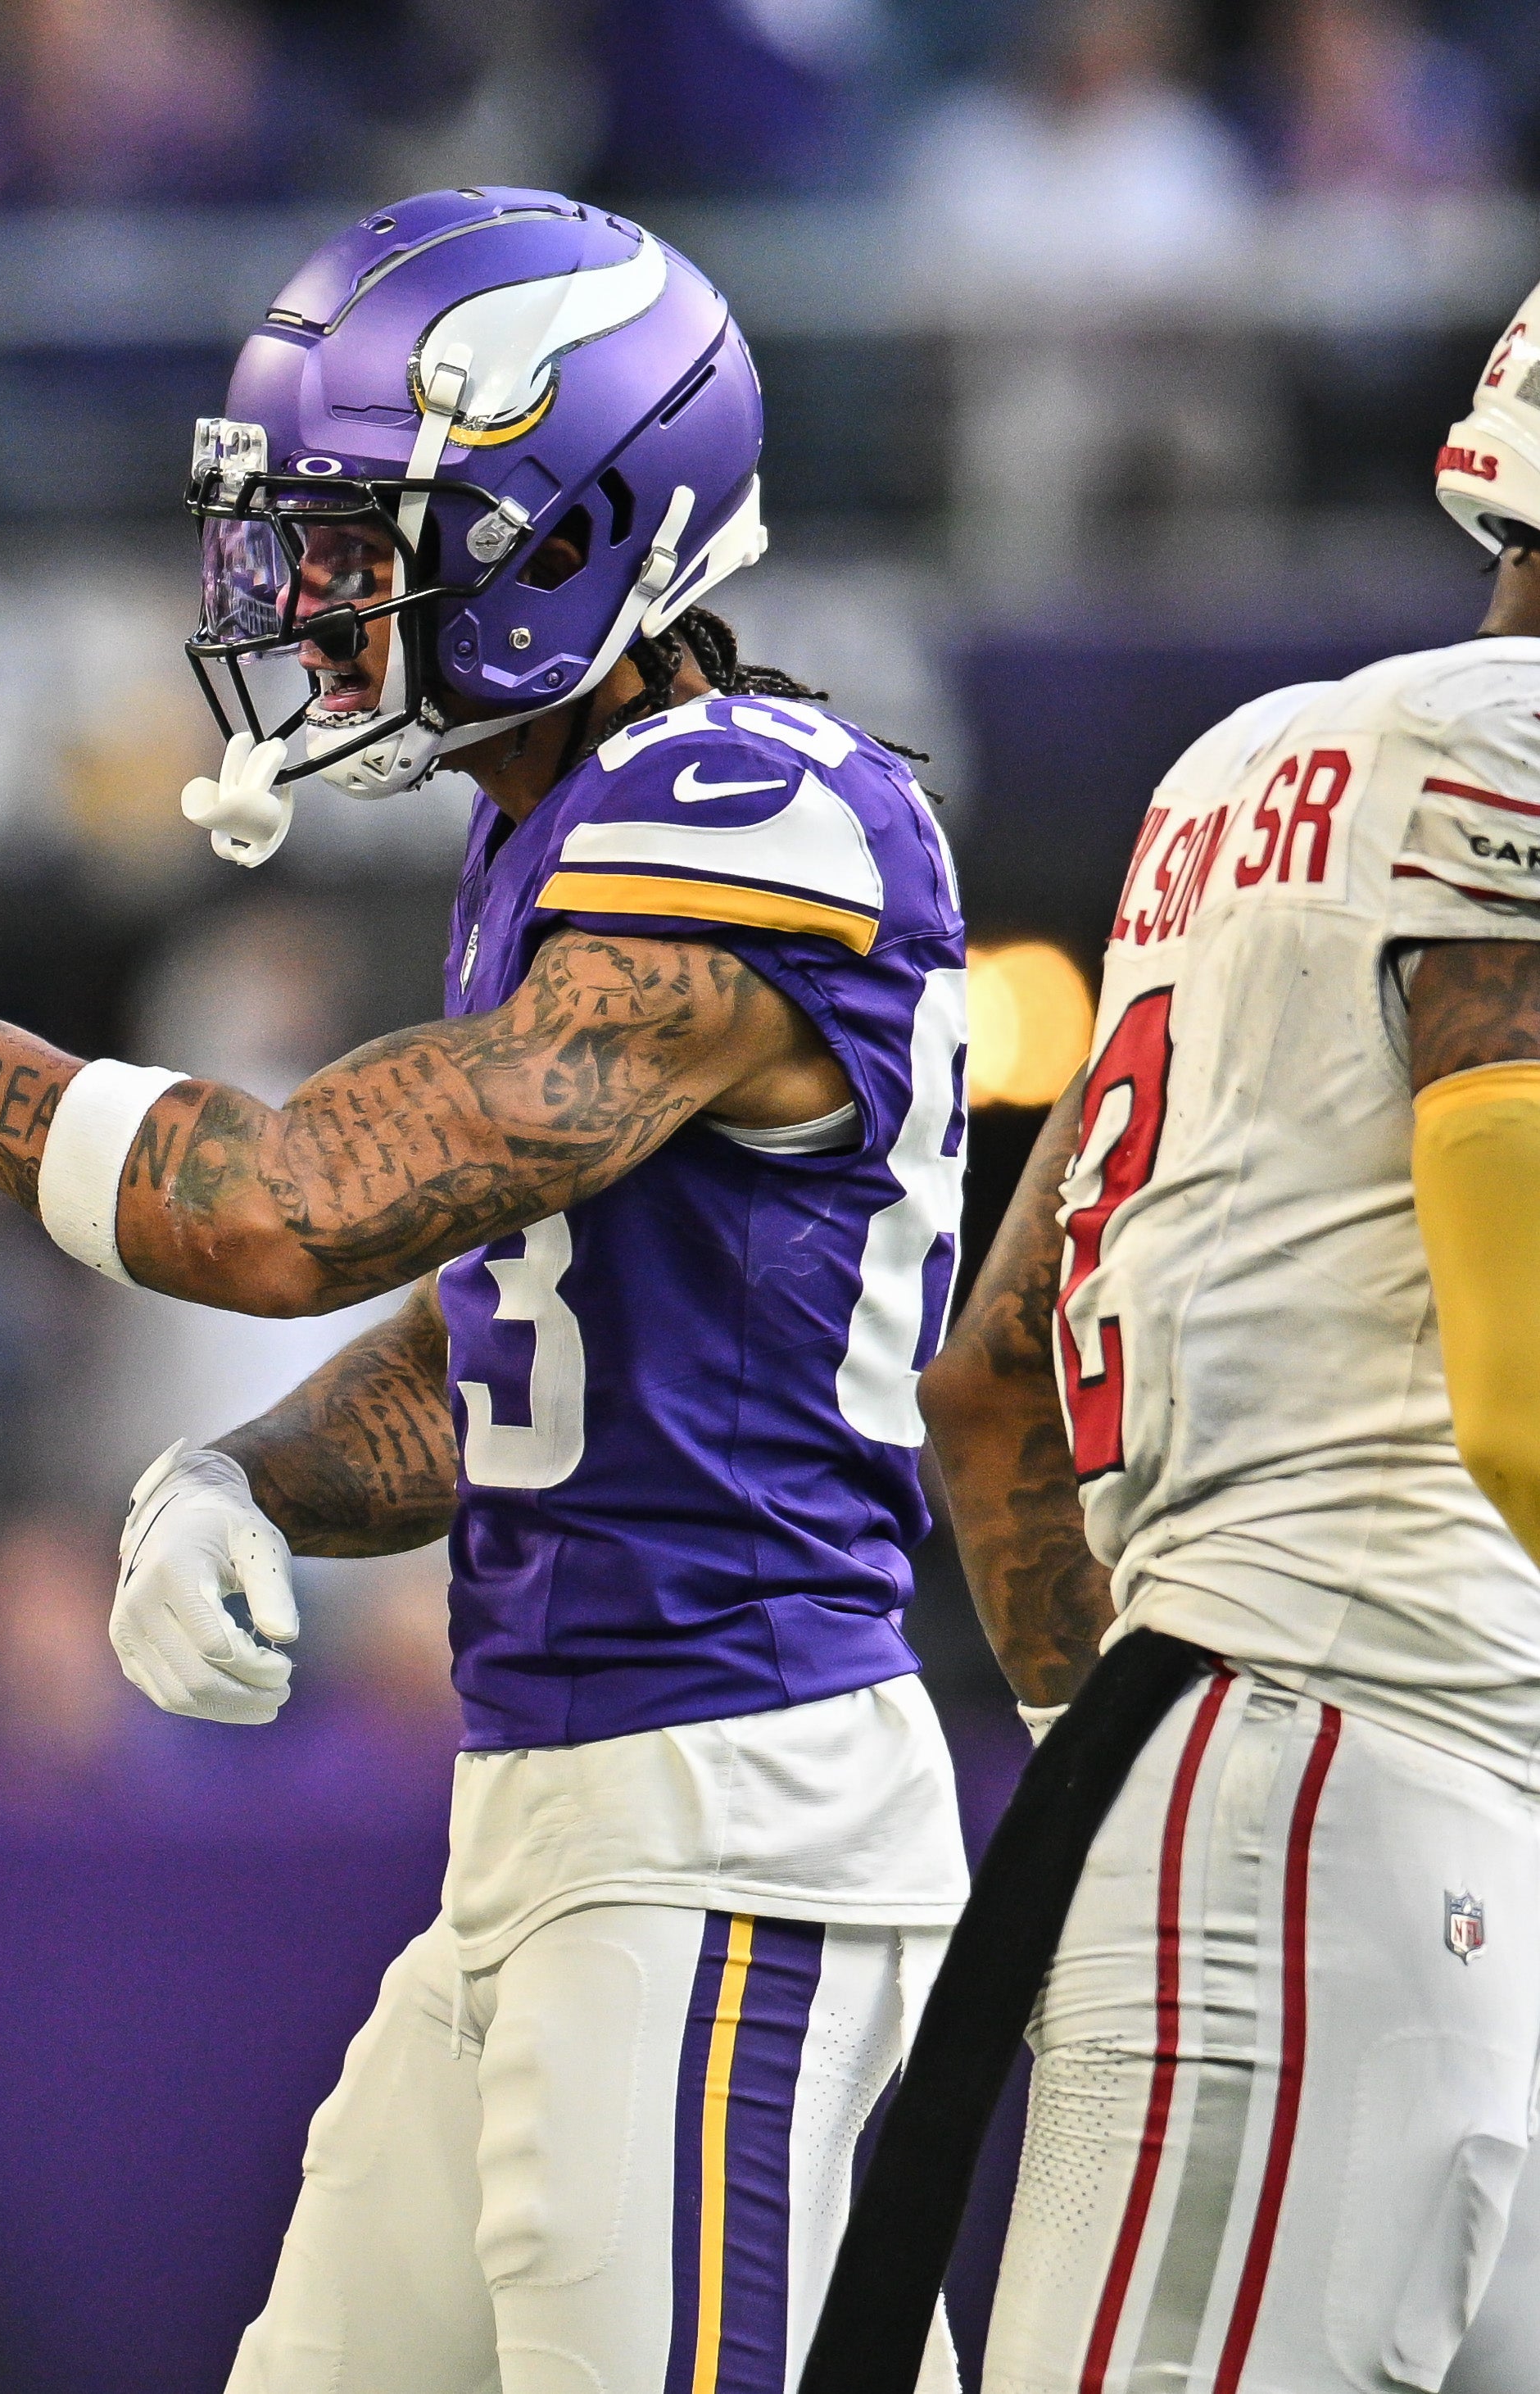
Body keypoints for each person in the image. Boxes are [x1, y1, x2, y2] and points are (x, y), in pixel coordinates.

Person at [0, 187, 971, 2392]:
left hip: (728, 1825)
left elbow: (292, 1205)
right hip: (564, 1809)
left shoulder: (754, 812)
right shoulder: (565, 820)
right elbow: (515, 1323)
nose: (308, 595)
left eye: (364, 534)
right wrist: (247, 1471)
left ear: (576, 532)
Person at [836, 281, 1540, 2394]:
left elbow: (989, 1387)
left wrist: (1128, 1757)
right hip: (1356, 1770)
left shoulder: (1250, 766)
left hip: (1284, 1773)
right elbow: (1519, 1387)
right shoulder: (1506, 766)